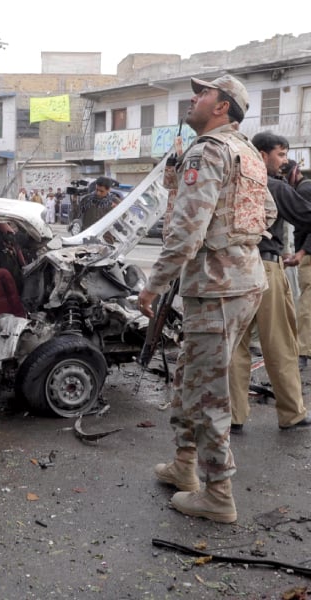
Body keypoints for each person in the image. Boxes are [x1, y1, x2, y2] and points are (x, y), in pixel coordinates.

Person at [138, 74, 275, 524]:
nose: (194, 98)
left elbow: (185, 230)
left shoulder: (209, 149)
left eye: (203, 93)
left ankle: (218, 492)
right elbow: (267, 213)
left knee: (208, 391)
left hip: (216, 286)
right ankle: (184, 466)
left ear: (222, 106)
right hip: (242, 281)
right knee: (189, 375)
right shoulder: (247, 151)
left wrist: (154, 284)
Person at [229, 133, 311, 433]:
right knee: (279, 343)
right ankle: (291, 413)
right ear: (262, 155)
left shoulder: (233, 182)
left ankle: (234, 416)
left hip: (233, 270)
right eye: (280, 153)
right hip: (264, 267)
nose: (285, 160)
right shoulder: (273, 185)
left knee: (236, 345)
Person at [283, 159, 311, 368]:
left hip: (308, 255)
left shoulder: (304, 190)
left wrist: (302, 252)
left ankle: (303, 351)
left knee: (306, 303)